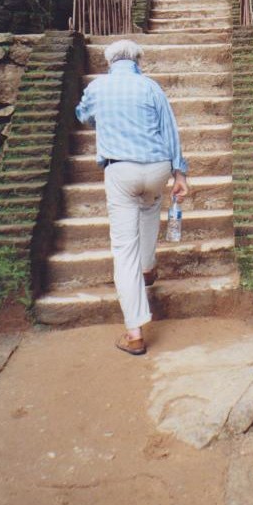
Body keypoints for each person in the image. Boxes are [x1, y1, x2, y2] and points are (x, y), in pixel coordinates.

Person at [75, 39, 189, 356]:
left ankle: (135, 332)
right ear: (138, 60)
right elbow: (170, 130)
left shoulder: (98, 87)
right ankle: (148, 267)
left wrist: (106, 118)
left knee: (124, 249)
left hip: (120, 170)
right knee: (150, 208)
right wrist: (180, 174)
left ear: (109, 61)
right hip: (157, 169)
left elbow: (82, 116)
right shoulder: (150, 87)